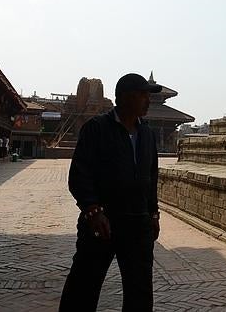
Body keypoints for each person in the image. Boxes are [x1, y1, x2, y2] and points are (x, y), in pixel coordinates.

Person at [59, 73, 162, 312]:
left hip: (138, 223)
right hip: (103, 222)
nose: (148, 100)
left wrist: (153, 214)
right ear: (124, 97)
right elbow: (79, 175)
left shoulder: (147, 135)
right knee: (83, 287)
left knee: (140, 291)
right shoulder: (96, 129)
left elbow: (151, 179)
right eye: (143, 95)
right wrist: (93, 210)